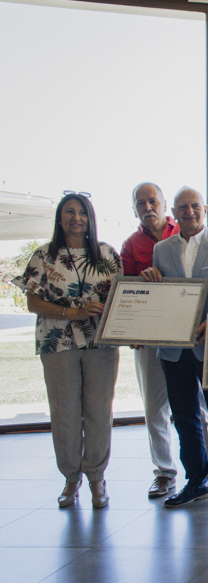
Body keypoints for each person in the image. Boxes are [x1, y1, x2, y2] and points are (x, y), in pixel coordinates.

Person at [14, 193, 122, 509]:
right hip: (57, 342)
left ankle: (96, 477)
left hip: (101, 343)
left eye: (82, 212)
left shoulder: (107, 254)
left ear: (90, 218)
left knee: (100, 410)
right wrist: (71, 313)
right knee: (64, 411)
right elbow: (33, 301)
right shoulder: (44, 255)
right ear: (60, 218)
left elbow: (123, 297)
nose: (76, 218)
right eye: (69, 212)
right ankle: (71, 477)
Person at [142, 187, 208, 510]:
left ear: (206, 208)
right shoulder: (161, 250)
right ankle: (196, 480)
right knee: (184, 418)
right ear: (174, 210)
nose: (189, 211)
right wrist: (150, 279)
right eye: (182, 207)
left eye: (195, 206)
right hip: (173, 350)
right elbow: (160, 297)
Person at [121, 182, 208, 499]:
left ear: (165, 206)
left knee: (200, 410)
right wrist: (133, 327)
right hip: (155, 340)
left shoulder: (193, 232)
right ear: (135, 208)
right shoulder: (131, 245)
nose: (148, 207)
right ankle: (165, 473)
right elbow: (125, 290)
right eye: (141, 203)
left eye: (153, 201)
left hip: (199, 338)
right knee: (157, 407)